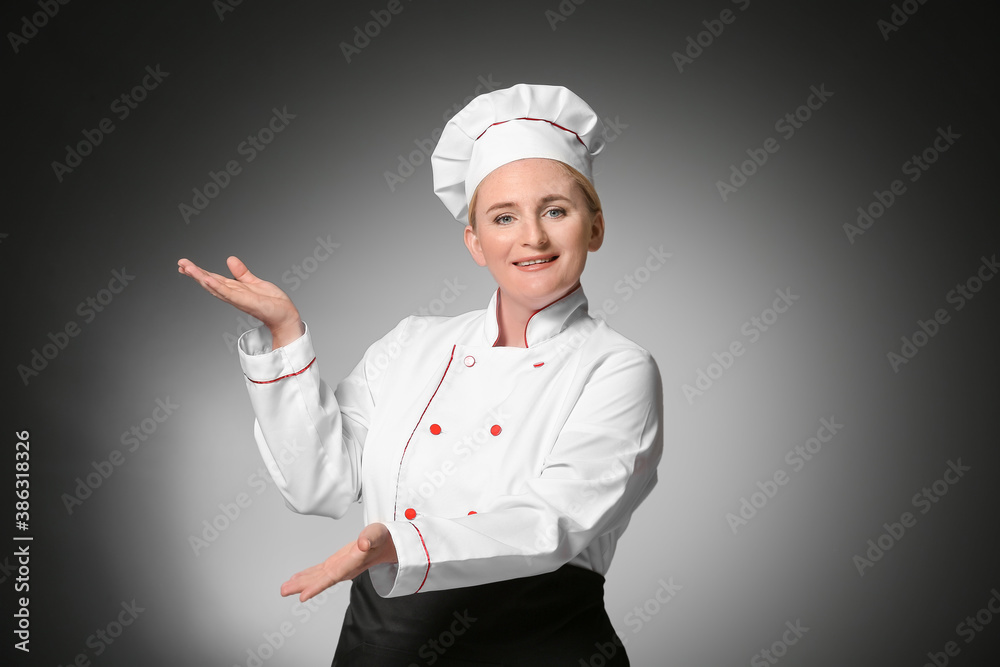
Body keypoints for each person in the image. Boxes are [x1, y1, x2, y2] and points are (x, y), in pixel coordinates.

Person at [178, 83, 662, 666]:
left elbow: (552, 522)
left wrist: (399, 545)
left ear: (595, 227)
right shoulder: (411, 343)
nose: (531, 237)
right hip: (382, 646)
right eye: (503, 217)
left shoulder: (617, 367)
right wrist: (285, 338)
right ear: (475, 242)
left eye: (555, 210)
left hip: (540, 647)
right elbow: (320, 485)